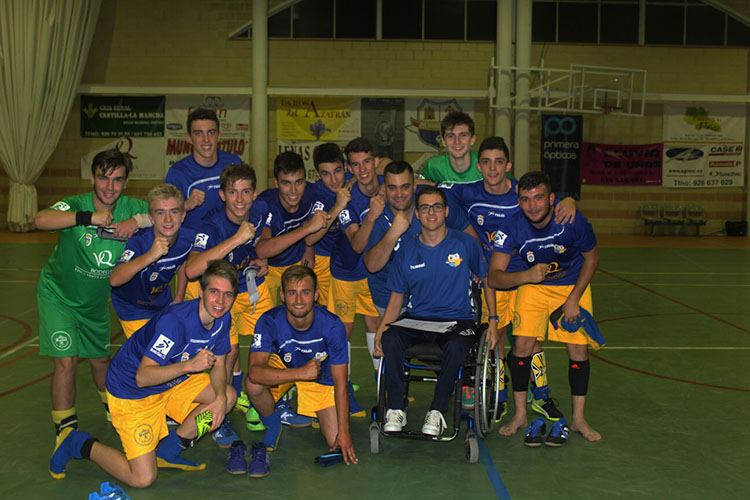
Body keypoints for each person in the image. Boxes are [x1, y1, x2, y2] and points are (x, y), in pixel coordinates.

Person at [49, 260, 240, 487]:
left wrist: (219, 398)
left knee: (226, 397)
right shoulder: (175, 324)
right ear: (200, 291)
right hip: (132, 390)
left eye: (228, 295)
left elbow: (219, 364)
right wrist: (188, 366)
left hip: (170, 382)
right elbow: (144, 377)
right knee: (142, 479)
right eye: (214, 292)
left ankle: (168, 451)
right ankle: (75, 442)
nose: (220, 301)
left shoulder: (222, 318)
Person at [440, 136, 577, 419]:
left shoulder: (521, 193)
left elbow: (554, 201)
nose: (492, 168)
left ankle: (541, 395)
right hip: (491, 281)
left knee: (530, 339)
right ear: (479, 166)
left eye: (499, 162)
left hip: (525, 278)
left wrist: (570, 201)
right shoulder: (466, 192)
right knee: (496, 339)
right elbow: (431, 188)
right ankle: (500, 398)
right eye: (487, 162)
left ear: (508, 165)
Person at [35, 149, 149, 444]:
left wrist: (138, 221)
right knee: (67, 360)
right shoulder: (76, 204)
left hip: (95, 303)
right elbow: (41, 219)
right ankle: (66, 432)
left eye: (117, 180)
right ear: (92, 178)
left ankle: (114, 408)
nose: (109, 187)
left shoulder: (132, 207)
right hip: (58, 295)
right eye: (103, 178)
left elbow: (168, 211)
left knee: (100, 360)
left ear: (126, 183)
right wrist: (87, 218)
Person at [489, 171, 602, 445]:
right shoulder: (512, 227)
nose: (533, 206)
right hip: (534, 287)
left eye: (539, 198)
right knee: (521, 347)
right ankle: (519, 415)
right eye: (526, 200)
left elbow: (592, 258)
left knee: (578, 349)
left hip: (572, 286)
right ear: (519, 201)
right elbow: (493, 276)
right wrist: (525, 277)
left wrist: (574, 298)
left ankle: (578, 419)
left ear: (552, 198)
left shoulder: (572, 221)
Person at [374, 187, 498, 436]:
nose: (431, 212)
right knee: (391, 338)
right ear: (417, 214)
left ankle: (437, 412)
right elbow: (397, 298)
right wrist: (380, 332)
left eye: (437, 207)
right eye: (425, 207)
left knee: (457, 346)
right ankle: (396, 409)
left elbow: (486, 280)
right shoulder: (406, 250)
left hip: (457, 319)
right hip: (417, 319)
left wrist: (492, 320)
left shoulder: (466, 244)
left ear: (446, 211)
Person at [244, 265, 358, 477]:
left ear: (315, 295)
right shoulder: (268, 321)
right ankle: (273, 424)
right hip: (287, 371)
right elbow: (255, 372)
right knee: (252, 385)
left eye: (305, 292)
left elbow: (341, 382)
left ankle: (315, 409)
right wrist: (300, 374)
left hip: (320, 379)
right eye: (292, 293)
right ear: (282, 296)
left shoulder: (332, 325)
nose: (298, 300)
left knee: (336, 441)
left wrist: (345, 431)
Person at [184, 163, 272, 434]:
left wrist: (263, 252)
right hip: (219, 293)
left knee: (269, 341)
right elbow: (191, 269)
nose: (240, 200)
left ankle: (258, 397)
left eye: (246, 192)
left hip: (250, 285)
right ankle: (223, 402)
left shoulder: (259, 209)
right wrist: (237, 239)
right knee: (228, 351)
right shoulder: (211, 225)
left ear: (255, 193)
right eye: (233, 193)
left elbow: (267, 226)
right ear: (222, 195)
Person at [254, 151, 341, 305]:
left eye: (299, 182)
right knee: (265, 318)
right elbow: (262, 250)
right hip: (269, 268)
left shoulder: (314, 194)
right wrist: (306, 230)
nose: (293, 190)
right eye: (286, 183)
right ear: (276, 182)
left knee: (309, 311)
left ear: (305, 181)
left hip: (298, 262)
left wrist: (309, 248)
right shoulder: (266, 203)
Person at [109, 183, 195, 339]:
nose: (168, 219)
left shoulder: (188, 238)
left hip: (162, 302)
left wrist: (179, 296)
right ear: (150, 218)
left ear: (183, 216)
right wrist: (150, 255)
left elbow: (184, 261)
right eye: (160, 213)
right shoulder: (139, 242)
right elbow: (115, 279)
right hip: (132, 307)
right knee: (148, 355)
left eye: (174, 212)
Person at [164, 108, 242, 231]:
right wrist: (186, 205)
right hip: (194, 244)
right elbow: (164, 215)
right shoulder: (177, 173)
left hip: (229, 238)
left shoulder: (234, 162)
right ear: (189, 138)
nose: (206, 140)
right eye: (198, 133)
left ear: (219, 136)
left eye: (211, 132)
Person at [419, 111, 481, 184]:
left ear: (472, 139)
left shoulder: (484, 164)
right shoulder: (433, 167)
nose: (457, 141)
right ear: (443, 141)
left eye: (463, 135)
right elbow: (418, 188)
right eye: (451, 136)